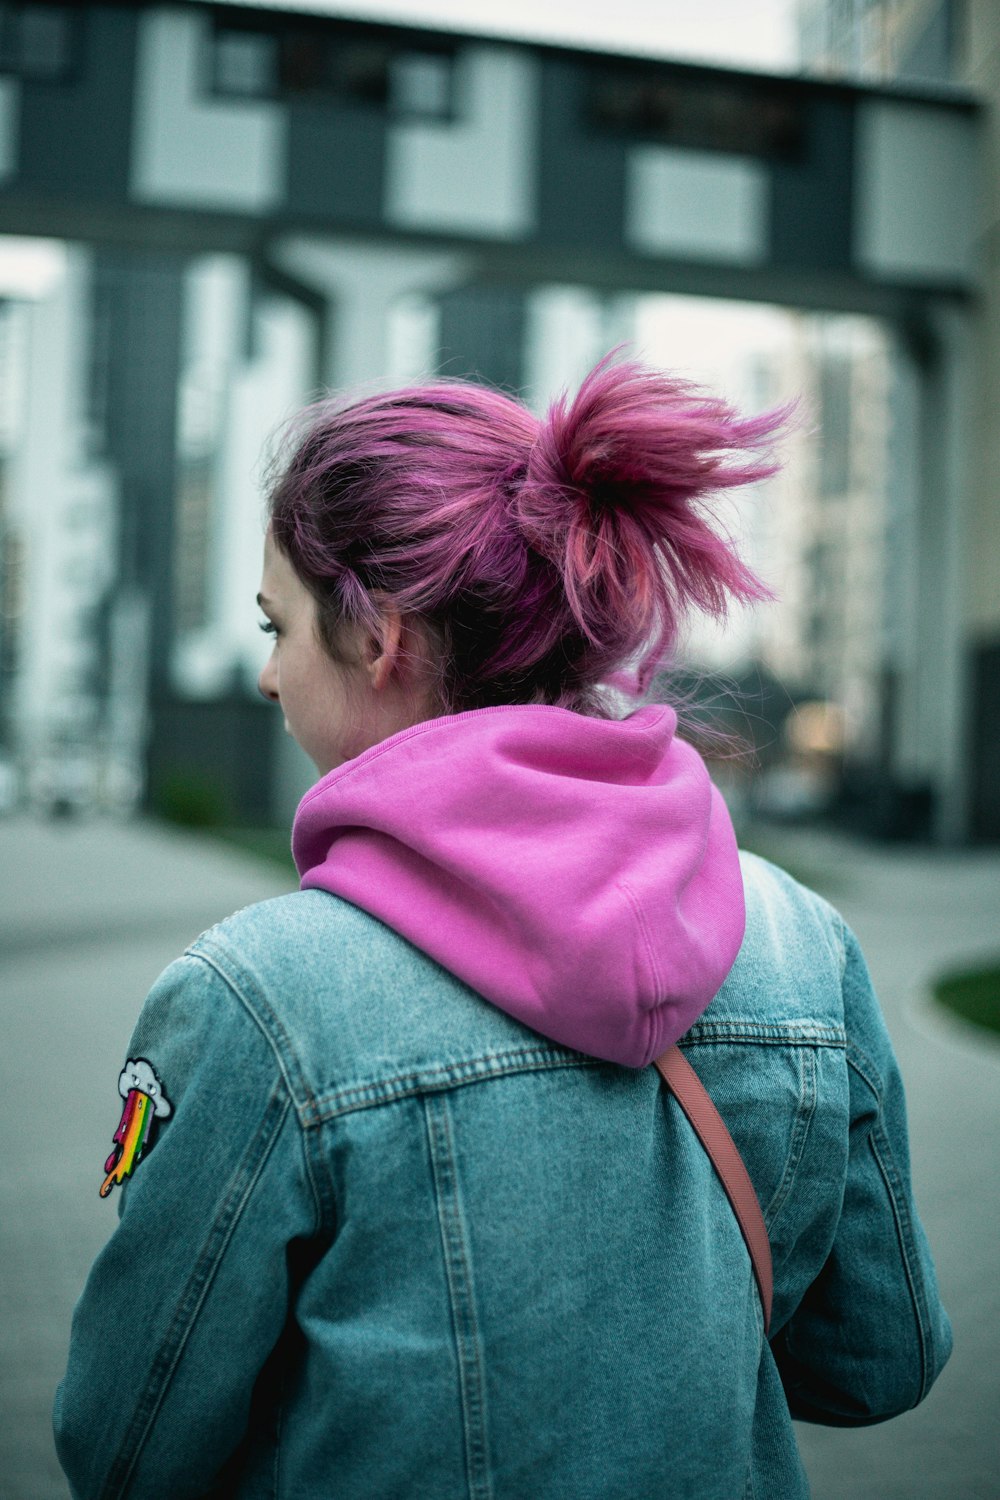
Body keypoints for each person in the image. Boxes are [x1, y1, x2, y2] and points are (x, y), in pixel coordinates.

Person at [54, 351, 951, 1498]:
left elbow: (126, 1448)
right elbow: (878, 1364)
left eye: (276, 627)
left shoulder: (260, 1000)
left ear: (379, 636)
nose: (270, 679)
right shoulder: (799, 941)